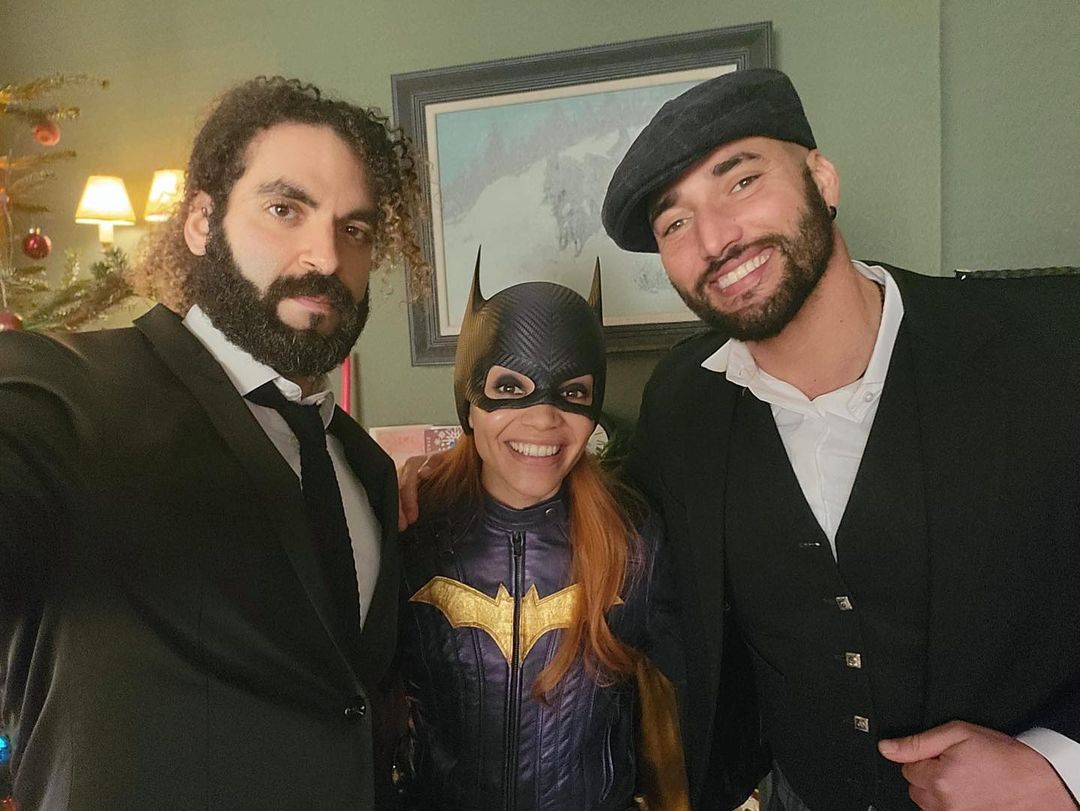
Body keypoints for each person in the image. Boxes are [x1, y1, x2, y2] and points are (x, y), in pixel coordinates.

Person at [402, 68, 1080, 810]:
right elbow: (581, 502)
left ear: (822, 177)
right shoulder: (682, 401)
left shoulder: (1049, 347)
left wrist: (1060, 764)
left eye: (742, 181)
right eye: (675, 223)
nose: (716, 238)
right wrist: (437, 478)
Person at [0, 76, 424, 808]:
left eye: (354, 229)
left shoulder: (366, 466)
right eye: (285, 209)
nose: (325, 257)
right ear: (201, 221)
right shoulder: (67, 394)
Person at [393, 260, 686, 810]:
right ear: (470, 404)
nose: (544, 419)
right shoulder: (408, 529)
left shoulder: (634, 542)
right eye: (510, 387)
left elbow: (686, 708)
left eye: (572, 394)